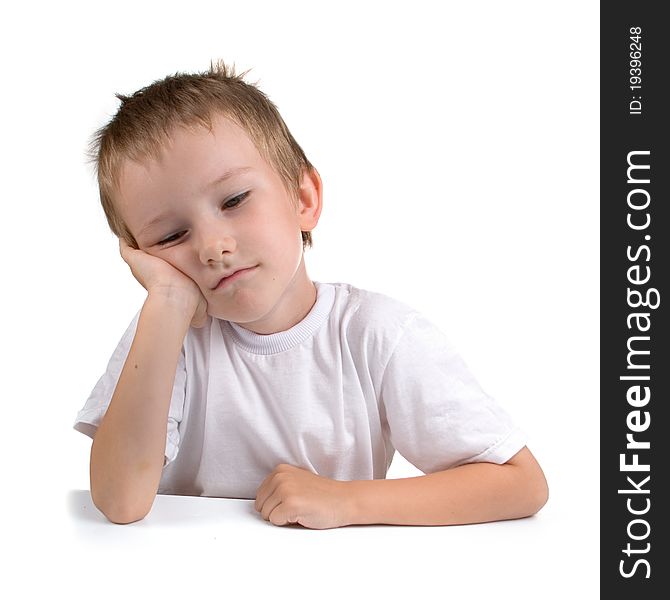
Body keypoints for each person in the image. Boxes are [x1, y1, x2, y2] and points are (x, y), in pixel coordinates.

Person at [73, 60, 548, 529]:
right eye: (172, 235)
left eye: (234, 200)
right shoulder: (165, 335)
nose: (213, 247)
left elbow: (519, 483)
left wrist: (348, 502)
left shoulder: (376, 334)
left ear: (303, 198)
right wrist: (169, 303)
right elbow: (120, 502)